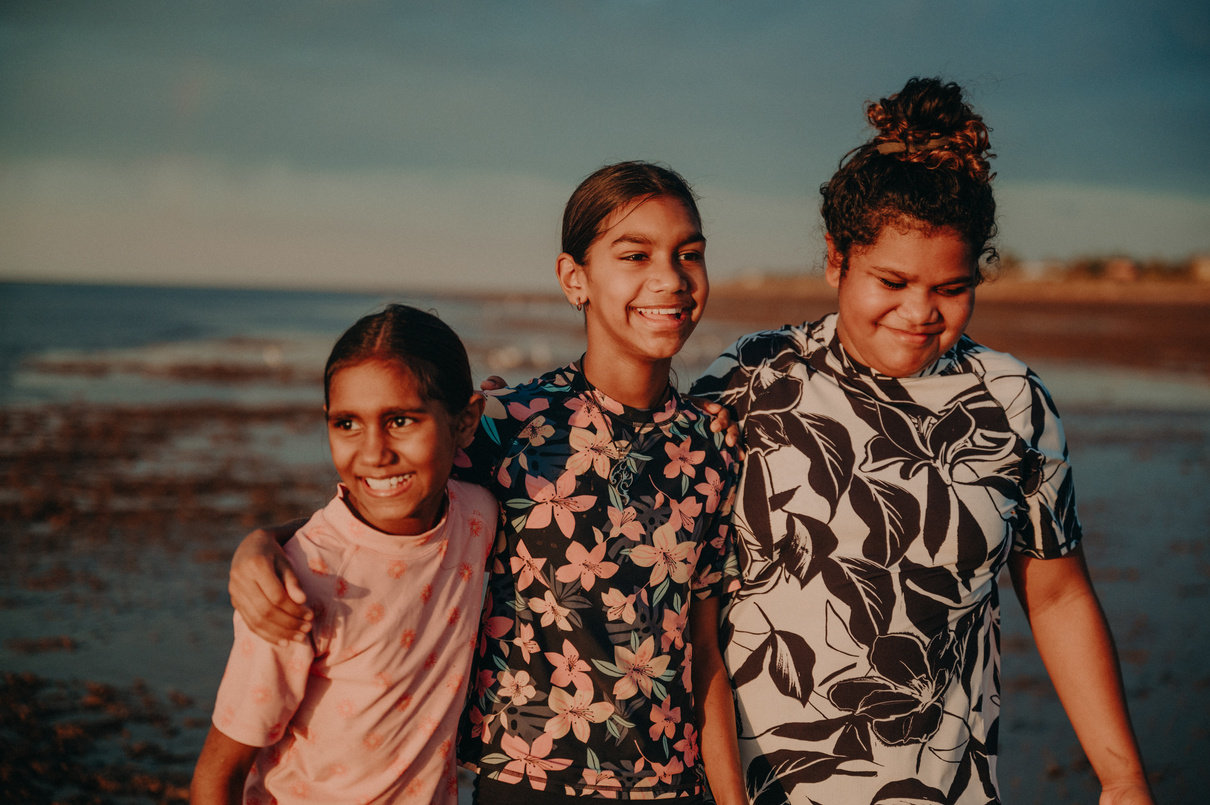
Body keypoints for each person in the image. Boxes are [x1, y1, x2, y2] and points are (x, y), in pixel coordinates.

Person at [689, 77, 1152, 804]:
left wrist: (1122, 774)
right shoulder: (754, 378)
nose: (919, 312)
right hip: (755, 789)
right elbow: (681, 589)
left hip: (944, 788)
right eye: (892, 280)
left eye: (950, 287)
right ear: (837, 260)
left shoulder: (1012, 404)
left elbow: (1058, 597)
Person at [227, 162, 749, 804]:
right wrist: (262, 544)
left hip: (674, 786)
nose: (669, 278)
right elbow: (380, 509)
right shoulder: (506, 425)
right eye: (635, 255)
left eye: (688, 254)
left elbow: (705, 651)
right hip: (524, 781)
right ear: (573, 279)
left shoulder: (711, 445)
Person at [191, 305, 494, 804]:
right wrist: (265, 542)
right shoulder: (294, 583)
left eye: (400, 421)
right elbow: (216, 778)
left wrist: (262, 534)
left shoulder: (478, 514)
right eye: (347, 424)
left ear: (464, 424)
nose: (373, 452)